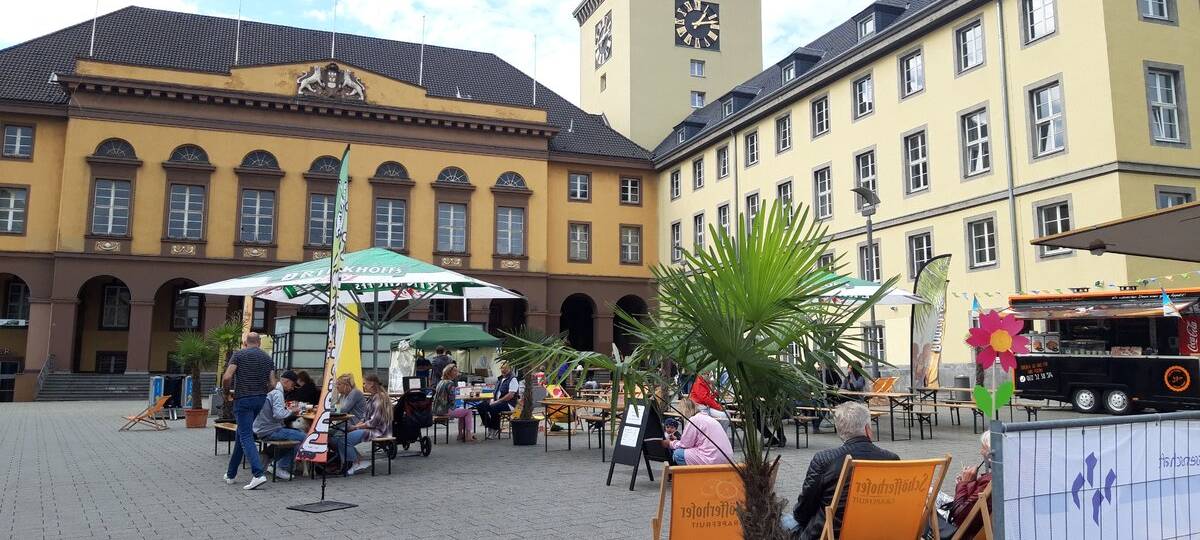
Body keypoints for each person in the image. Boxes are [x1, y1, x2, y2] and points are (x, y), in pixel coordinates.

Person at [783, 401, 899, 539]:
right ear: (868, 429)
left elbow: (803, 510)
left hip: (829, 534)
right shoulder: (891, 460)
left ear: (840, 432)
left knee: (783, 519)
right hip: (878, 532)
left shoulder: (824, 459)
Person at [221, 332, 275, 491]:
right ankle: (230, 474)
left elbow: (227, 377)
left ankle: (258, 474)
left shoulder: (239, 355)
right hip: (260, 398)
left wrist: (226, 393)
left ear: (245, 342)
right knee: (242, 433)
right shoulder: (267, 358)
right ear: (259, 342)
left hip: (243, 398)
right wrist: (263, 391)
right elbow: (273, 382)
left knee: (245, 435)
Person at [938, 431, 993, 539]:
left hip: (960, 530)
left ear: (991, 453)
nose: (981, 452)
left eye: (983, 448)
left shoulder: (990, 481)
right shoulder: (1006, 476)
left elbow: (959, 515)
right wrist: (969, 483)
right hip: (979, 523)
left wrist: (963, 484)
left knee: (926, 500)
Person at [252, 370, 305, 480]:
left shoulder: (274, 390)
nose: (293, 387)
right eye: (293, 384)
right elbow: (278, 414)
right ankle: (280, 466)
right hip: (270, 430)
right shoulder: (278, 393)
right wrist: (292, 411)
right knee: (304, 437)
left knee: (296, 435)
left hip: (261, 428)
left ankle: (267, 455)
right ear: (286, 381)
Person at [338, 374, 392, 475]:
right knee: (340, 438)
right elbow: (364, 417)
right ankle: (356, 461)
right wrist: (355, 427)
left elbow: (374, 422)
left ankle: (355, 463)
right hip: (372, 428)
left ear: (371, 384)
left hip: (378, 431)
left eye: (365, 384)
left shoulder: (379, 398)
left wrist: (357, 427)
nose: (363, 386)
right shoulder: (373, 397)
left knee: (343, 440)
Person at [661, 398, 733, 466]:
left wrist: (670, 443)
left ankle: (693, 476)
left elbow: (685, 444)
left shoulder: (694, 420)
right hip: (726, 457)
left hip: (712, 458)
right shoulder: (707, 418)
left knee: (678, 454)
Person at [433, 365, 476, 442]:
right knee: (468, 412)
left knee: (463, 411)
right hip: (445, 410)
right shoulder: (450, 383)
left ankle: (460, 434)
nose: (457, 373)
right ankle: (468, 435)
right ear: (449, 372)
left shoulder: (441, 382)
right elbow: (452, 400)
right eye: (455, 371)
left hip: (437, 410)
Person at [477, 361, 519, 439]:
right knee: (480, 406)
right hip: (498, 402)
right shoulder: (500, 379)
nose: (503, 370)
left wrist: (498, 401)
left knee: (494, 408)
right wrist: (493, 400)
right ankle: (490, 426)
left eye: (505, 368)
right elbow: (495, 392)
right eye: (502, 368)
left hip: (509, 404)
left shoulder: (513, 379)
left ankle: (494, 429)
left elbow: (510, 395)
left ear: (510, 369)